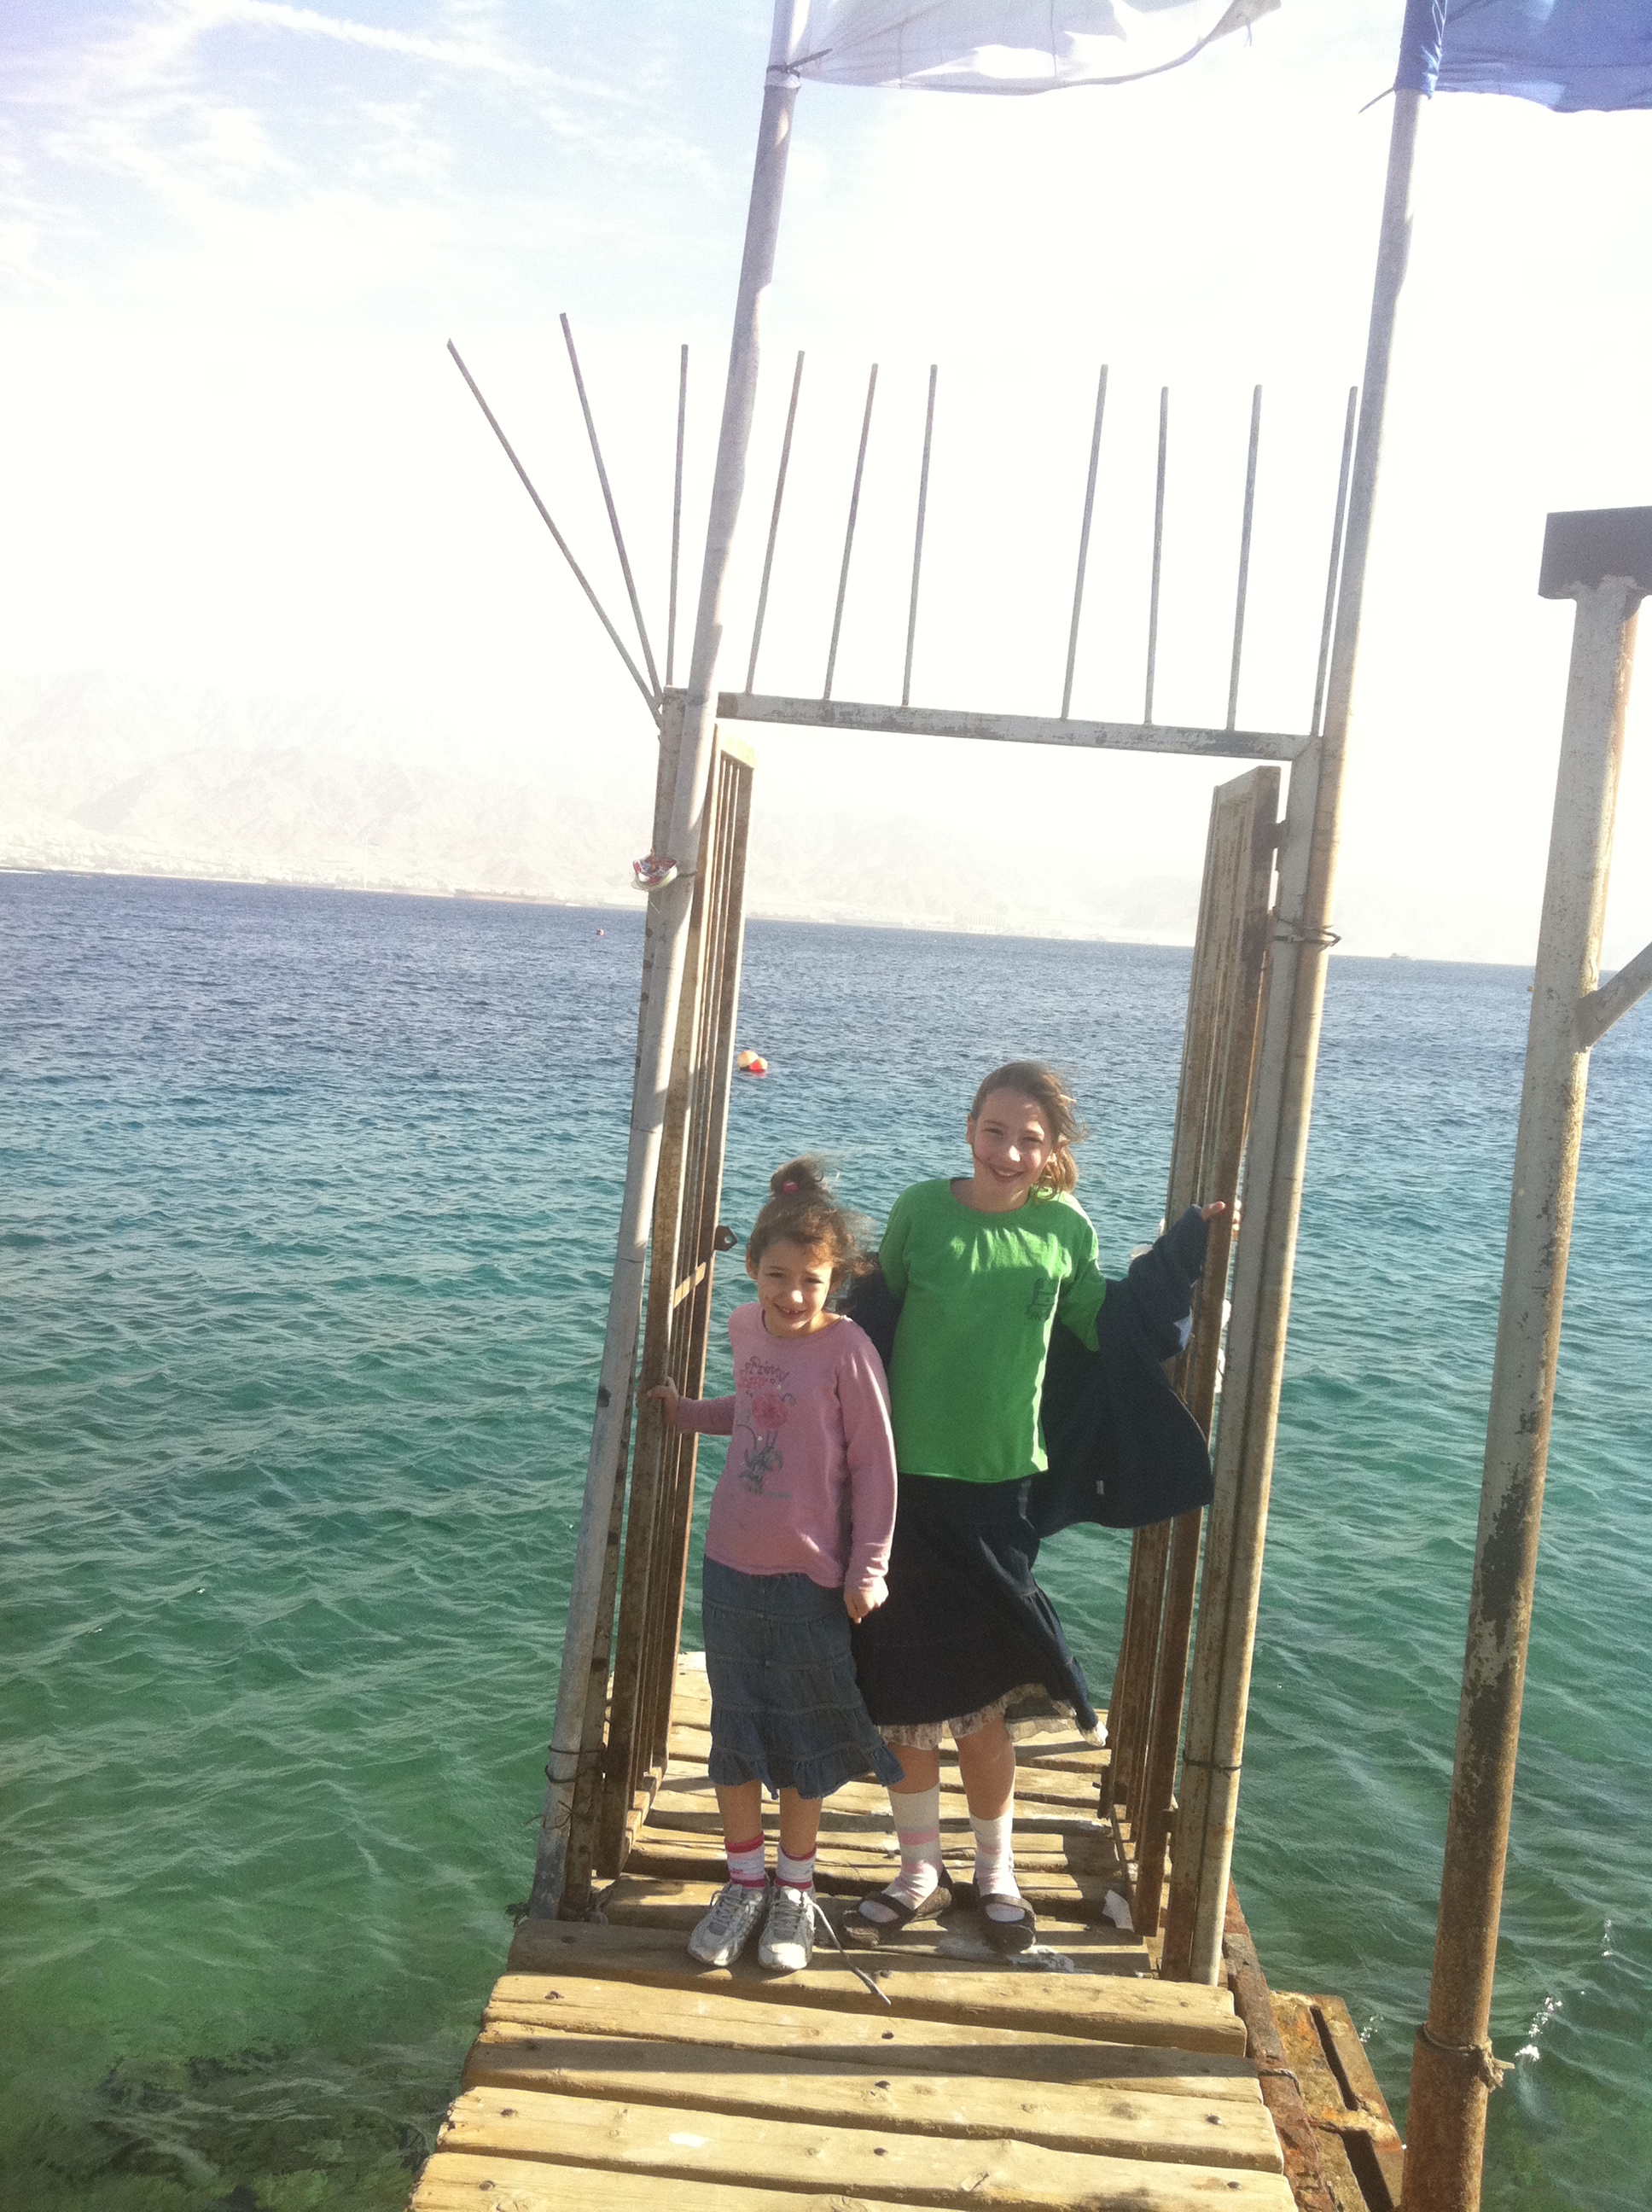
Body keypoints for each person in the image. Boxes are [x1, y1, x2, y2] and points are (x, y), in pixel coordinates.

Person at [846, 1061, 1221, 1953]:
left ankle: (996, 1871)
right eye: (994, 1132)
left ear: (1052, 1151)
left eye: (1028, 1139)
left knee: (982, 1702)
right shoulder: (919, 1211)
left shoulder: (1063, 1226)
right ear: (968, 1129)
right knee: (901, 1695)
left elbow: (1106, 1327)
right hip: (900, 1485)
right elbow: (865, 1326)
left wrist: (1183, 1253)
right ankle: (918, 1872)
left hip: (1001, 1489)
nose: (1008, 1152)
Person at [650, 1158, 903, 1976]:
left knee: (801, 1739)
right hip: (730, 1563)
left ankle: (795, 1889)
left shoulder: (848, 1348)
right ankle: (744, 1884)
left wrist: (868, 1568)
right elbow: (760, 1415)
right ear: (753, 1270)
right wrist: (689, 1414)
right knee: (735, 1732)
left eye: (812, 1280)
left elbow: (873, 1464)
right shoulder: (743, 1329)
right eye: (778, 1277)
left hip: (810, 1576)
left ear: (838, 1277)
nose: (794, 1295)